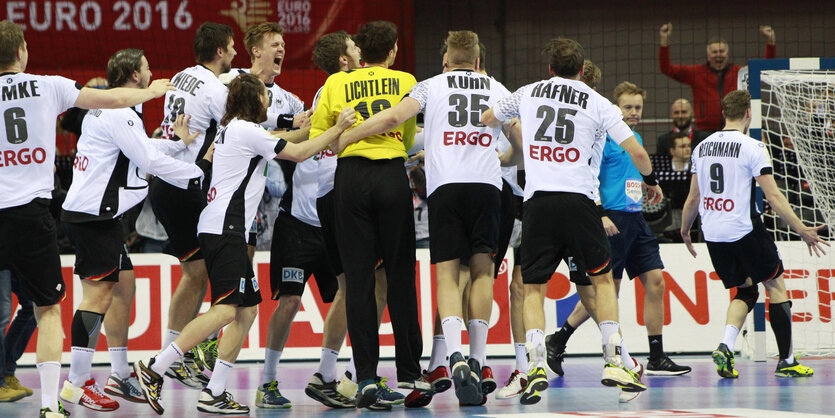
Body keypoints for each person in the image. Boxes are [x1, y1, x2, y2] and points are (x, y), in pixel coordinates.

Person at [134, 73, 357, 415]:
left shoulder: (232, 130)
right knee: (225, 309)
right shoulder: (246, 130)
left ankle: (215, 390)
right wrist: (337, 127)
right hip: (227, 228)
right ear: (255, 100)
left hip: (221, 227)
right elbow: (296, 152)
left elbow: (287, 138)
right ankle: (156, 368)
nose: (269, 101)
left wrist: (317, 126)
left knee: (248, 310)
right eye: (264, 97)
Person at [0, 19, 174, 418]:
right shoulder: (49, 84)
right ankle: (50, 406)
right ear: (23, 52)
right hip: (31, 214)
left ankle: (97, 378)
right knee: (46, 311)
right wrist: (151, 91)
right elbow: (109, 100)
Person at [339, 30, 518, 407]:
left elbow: (392, 116)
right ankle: (479, 360)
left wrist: (350, 135)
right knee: (483, 270)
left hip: (446, 189)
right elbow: (518, 138)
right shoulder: (497, 87)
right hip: (487, 187)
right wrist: (510, 159)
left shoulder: (430, 86)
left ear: (446, 60)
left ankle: (452, 356)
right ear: (479, 62)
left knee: (448, 273)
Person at [482, 37, 656, 405]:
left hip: (539, 203)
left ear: (550, 69)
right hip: (580, 204)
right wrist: (652, 181)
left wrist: (512, 119)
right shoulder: (598, 102)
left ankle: (536, 364)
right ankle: (613, 360)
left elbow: (487, 118)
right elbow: (638, 152)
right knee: (603, 281)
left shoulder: (528, 92)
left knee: (533, 289)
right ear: (582, 70)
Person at [57, 48, 210, 412]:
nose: (151, 73)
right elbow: (147, 160)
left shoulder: (110, 110)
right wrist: (197, 172)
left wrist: (178, 143)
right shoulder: (121, 113)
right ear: (135, 77)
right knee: (97, 298)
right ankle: (76, 384)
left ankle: (120, 374)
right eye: (147, 69)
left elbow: (139, 149)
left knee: (124, 286)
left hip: (98, 216)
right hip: (95, 218)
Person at [310, 20, 432, 411]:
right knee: (399, 274)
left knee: (359, 280)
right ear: (393, 50)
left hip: (350, 179)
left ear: (360, 52)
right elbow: (410, 135)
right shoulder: (406, 80)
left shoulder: (334, 84)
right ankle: (411, 373)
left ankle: (364, 377)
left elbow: (321, 139)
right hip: (391, 176)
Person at [546, 82, 691, 379]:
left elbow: (631, 175)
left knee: (656, 282)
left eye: (638, 107)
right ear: (615, 108)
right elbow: (589, 177)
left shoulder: (633, 137)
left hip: (635, 218)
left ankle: (656, 356)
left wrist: (648, 189)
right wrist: (599, 214)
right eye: (628, 107)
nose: (634, 113)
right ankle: (563, 340)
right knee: (607, 293)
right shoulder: (602, 137)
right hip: (611, 219)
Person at [680, 89, 828, 379]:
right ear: (749, 113)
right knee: (776, 287)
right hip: (745, 229)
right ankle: (786, 361)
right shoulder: (753, 147)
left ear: (724, 113)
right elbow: (773, 196)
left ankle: (725, 344)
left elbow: (693, 198)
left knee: (745, 291)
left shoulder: (701, 147)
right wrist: (801, 229)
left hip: (713, 233)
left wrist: (685, 230)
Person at [248, 24, 350, 409]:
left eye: (284, 46)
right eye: (274, 45)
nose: (281, 50)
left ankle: (326, 374)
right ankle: (268, 382)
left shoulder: (295, 101)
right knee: (288, 302)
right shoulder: (237, 86)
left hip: (331, 225)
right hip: (296, 224)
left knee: (346, 294)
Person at [308, 30, 396, 408]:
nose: (361, 50)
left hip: (332, 197)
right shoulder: (342, 87)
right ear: (345, 60)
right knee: (374, 284)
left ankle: (331, 374)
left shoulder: (331, 90)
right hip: (346, 195)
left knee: (356, 288)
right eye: (354, 48)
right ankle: (358, 374)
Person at [147, 21, 236, 390]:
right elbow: (242, 122)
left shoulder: (182, 76)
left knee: (195, 272)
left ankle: (175, 352)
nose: (235, 54)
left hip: (169, 181)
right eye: (231, 48)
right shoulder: (216, 89)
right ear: (219, 51)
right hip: (185, 184)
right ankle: (171, 354)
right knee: (199, 274)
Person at [659, 23, 776, 132]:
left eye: (721, 51)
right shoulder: (696, 73)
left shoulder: (739, 73)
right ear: (708, 56)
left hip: (735, 128)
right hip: (704, 131)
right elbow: (667, 69)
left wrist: (770, 42)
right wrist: (664, 42)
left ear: (727, 54)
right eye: (714, 52)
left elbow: (763, 69)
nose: (718, 54)